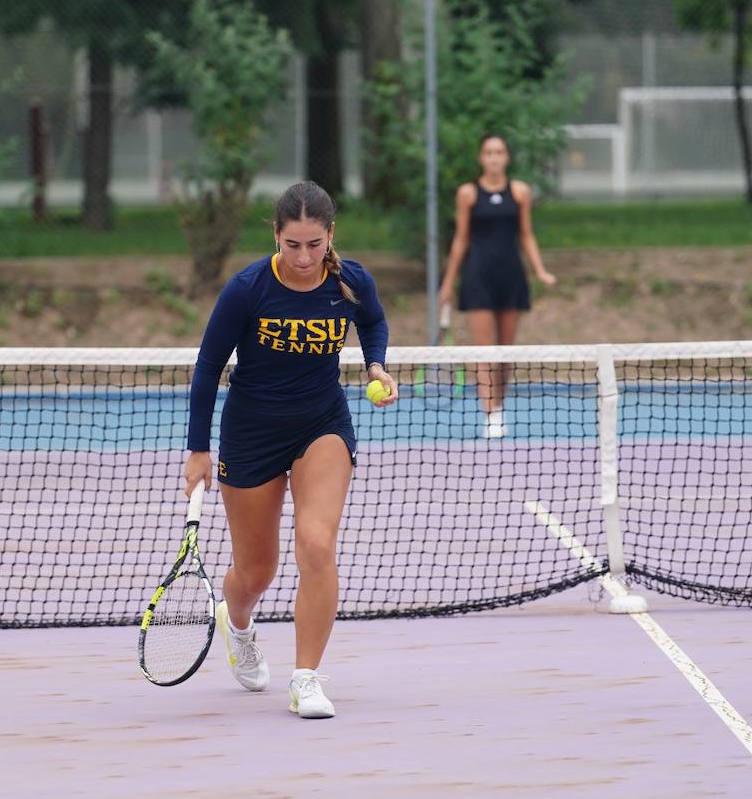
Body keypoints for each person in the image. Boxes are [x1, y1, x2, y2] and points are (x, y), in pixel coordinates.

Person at [183, 180, 398, 719]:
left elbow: (372, 320)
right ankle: (237, 623)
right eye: (292, 245)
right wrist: (197, 449)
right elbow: (208, 367)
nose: (304, 257)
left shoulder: (350, 282)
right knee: (256, 572)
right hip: (251, 433)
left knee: (317, 544)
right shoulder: (248, 289)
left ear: (331, 237)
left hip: (321, 424)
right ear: (276, 236)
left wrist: (374, 363)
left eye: (314, 244)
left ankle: (306, 679)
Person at [437, 133, 556, 439]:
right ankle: (490, 413)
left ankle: (499, 406)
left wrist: (540, 270)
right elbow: (461, 239)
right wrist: (448, 282)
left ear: (506, 157)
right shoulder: (468, 194)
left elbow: (526, 235)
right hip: (478, 277)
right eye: (489, 152)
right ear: (481, 157)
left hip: (511, 277)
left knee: (505, 353)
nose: (494, 157)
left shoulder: (519, 192)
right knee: (484, 352)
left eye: (499, 152)